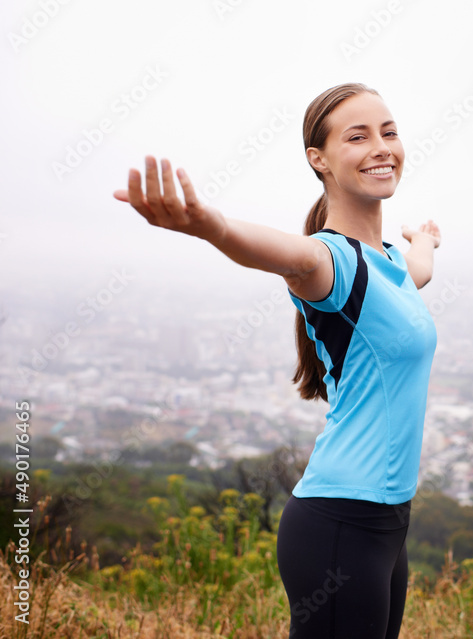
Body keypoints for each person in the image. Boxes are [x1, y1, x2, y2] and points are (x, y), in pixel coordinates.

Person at [113, 82, 440, 638]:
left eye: (389, 132)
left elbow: (417, 272)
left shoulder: (387, 265)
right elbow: (275, 250)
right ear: (320, 159)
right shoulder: (327, 261)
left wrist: (424, 239)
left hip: (387, 521)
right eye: (357, 137)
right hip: (340, 522)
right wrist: (208, 225)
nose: (381, 146)